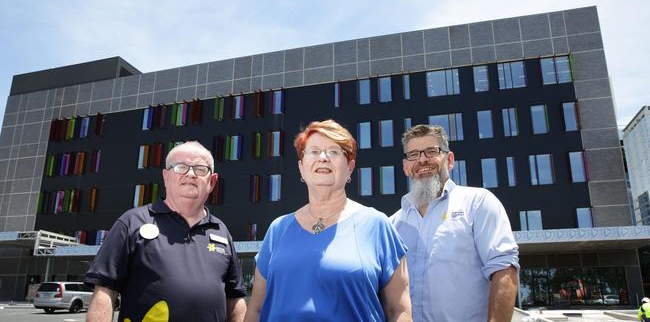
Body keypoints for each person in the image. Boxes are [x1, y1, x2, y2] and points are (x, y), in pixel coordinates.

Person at [244, 119, 412, 322]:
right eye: (313, 152)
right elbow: (256, 310)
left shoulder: (377, 225)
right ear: (301, 168)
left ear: (350, 167)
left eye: (334, 152)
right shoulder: (278, 229)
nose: (323, 158)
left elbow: (399, 311)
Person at [85, 141, 247, 322]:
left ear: (212, 181)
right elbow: (105, 292)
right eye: (180, 167)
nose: (191, 174)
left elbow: (235, 298)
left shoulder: (221, 231)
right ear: (166, 176)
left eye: (201, 169)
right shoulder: (131, 223)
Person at [391, 124, 519, 322]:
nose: (422, 159)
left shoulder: (478, 203)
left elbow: (504, 268)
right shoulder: (393, 224)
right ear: (406, 166)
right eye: (414, 154)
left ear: (449, 160)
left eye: (432, 151)